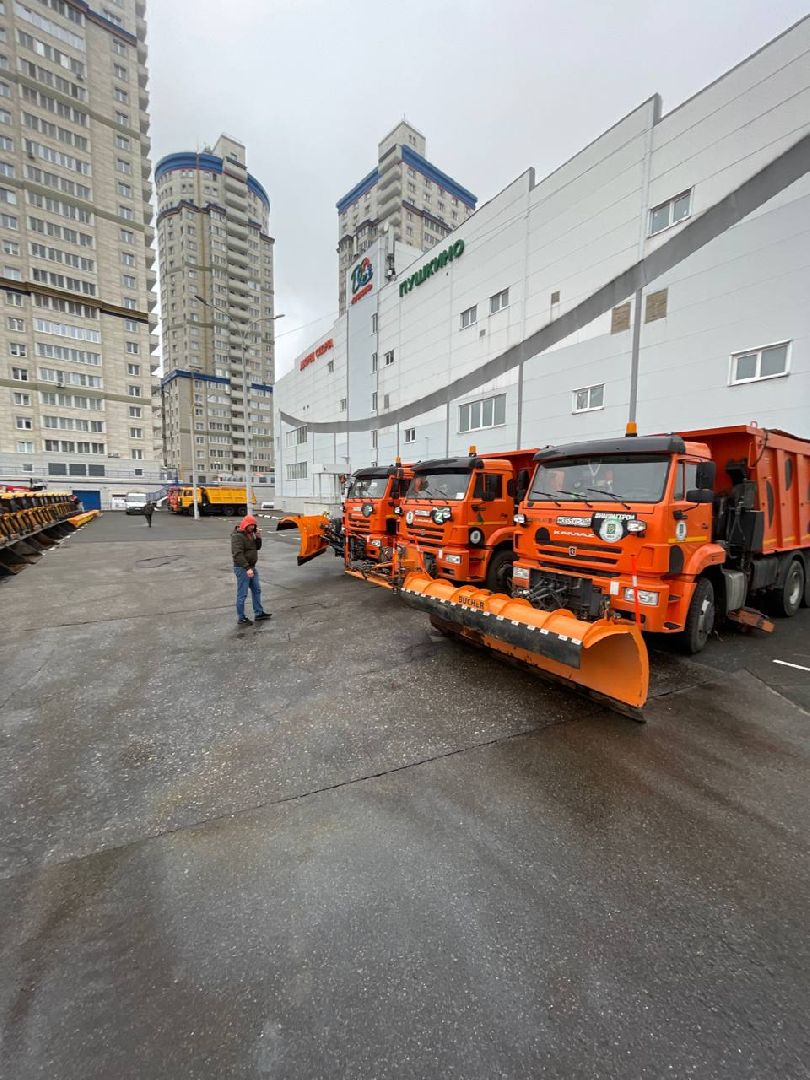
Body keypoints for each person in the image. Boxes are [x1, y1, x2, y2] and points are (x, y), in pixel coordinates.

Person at [231, 514, 272, 626]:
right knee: (242, 594)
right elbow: (237, 554)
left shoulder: (251, 534)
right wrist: (247, 568)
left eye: (254, 526)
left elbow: (257, 547)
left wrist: (258, 537)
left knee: (257, 590)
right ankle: (241, 617)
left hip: (251, 567)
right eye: (250, 525)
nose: (252, 528)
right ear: (245, 524)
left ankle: (259, 613)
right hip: (242, 568)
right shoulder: (237, 536)